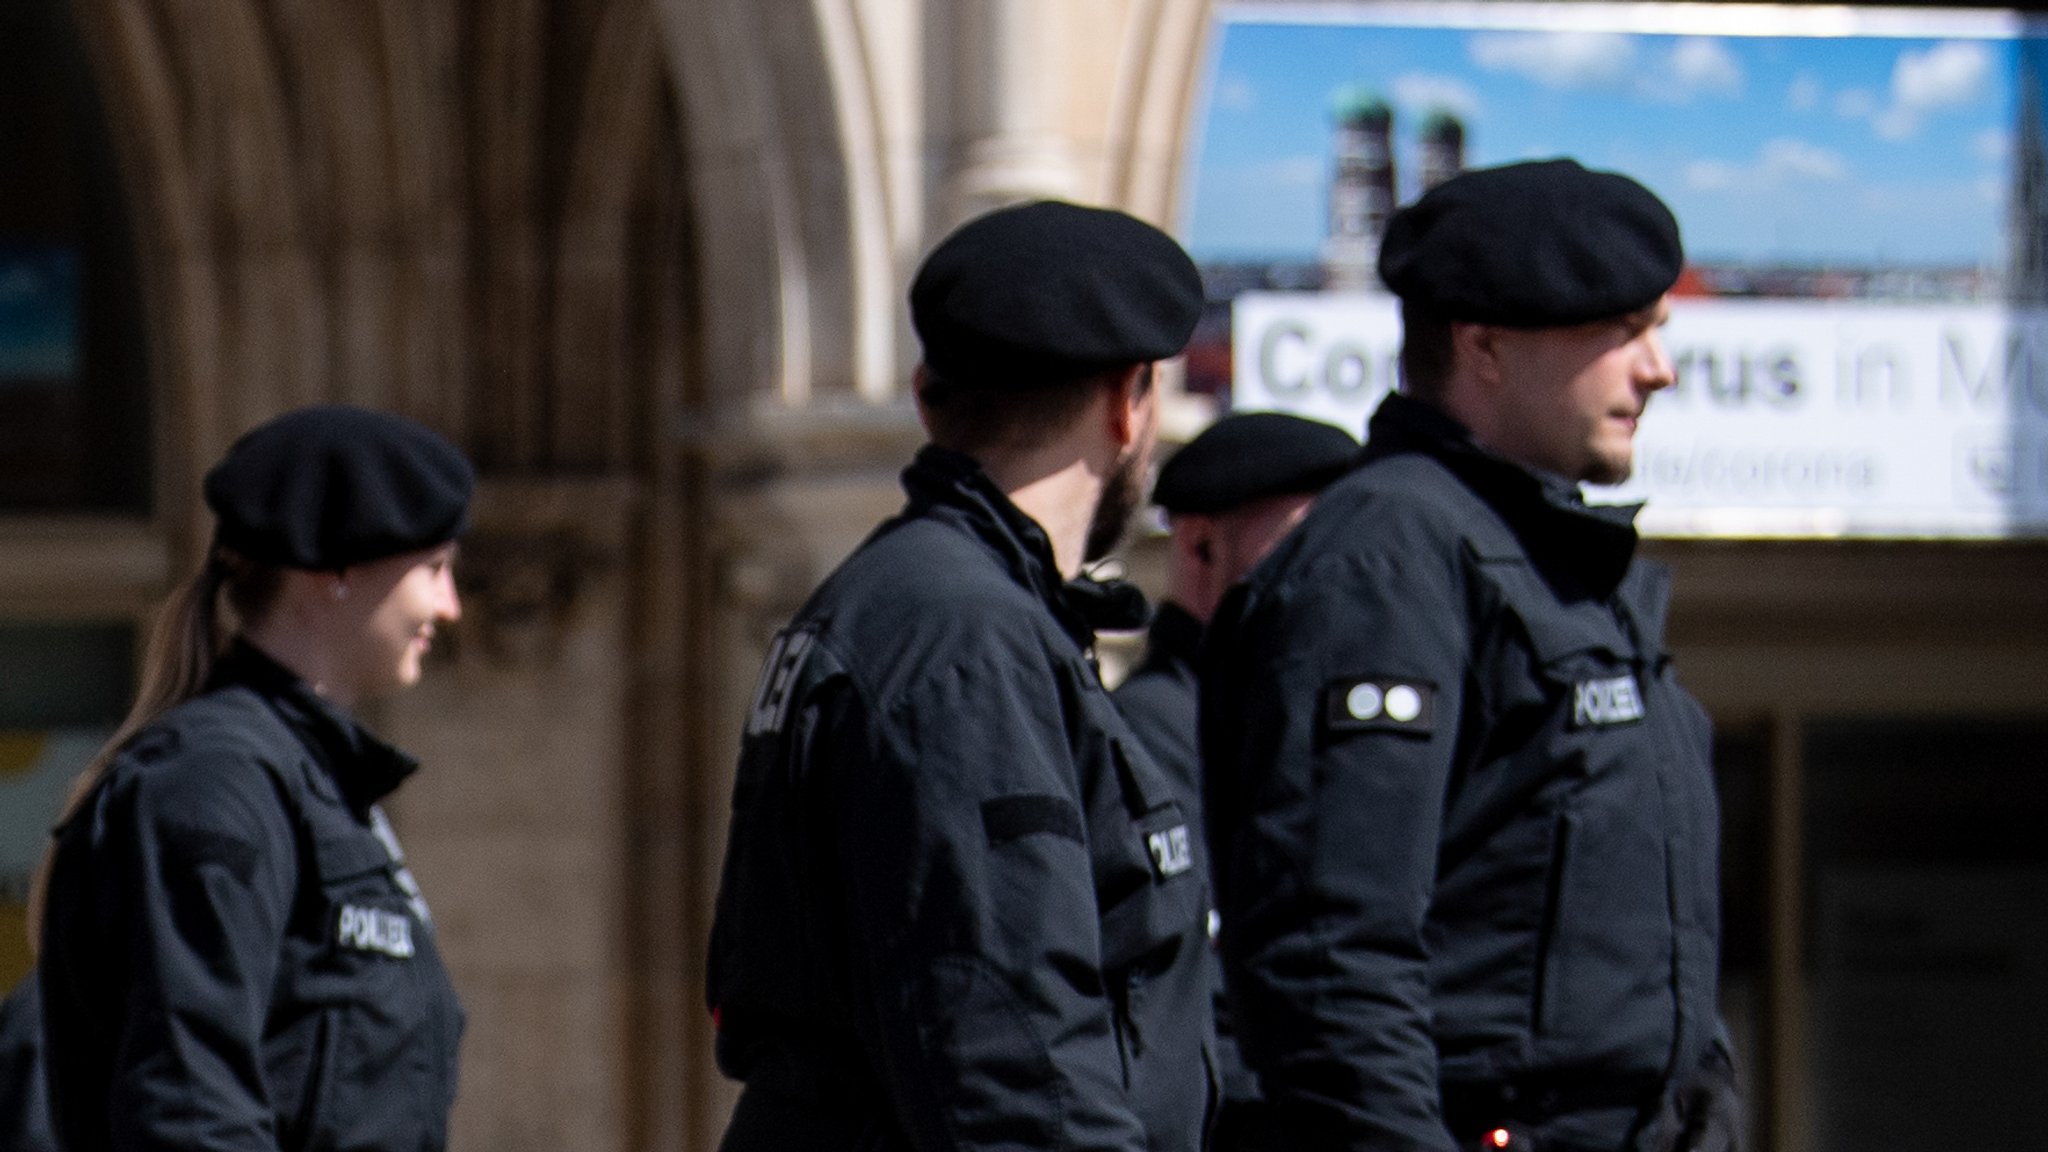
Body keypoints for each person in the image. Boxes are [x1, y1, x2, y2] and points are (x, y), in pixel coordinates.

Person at [1201, 159, 1740, 1152]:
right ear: (1483, 346)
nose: (1657, 369)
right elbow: (1331, 960)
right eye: (1621, 333)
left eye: (1656, 331)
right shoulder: (1385, 559)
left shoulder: (1556, 559)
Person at [707, 200, 1216, 1152]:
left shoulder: (919, 603)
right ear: (1127, 401)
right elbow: (1017, 1062)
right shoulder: (963, 639)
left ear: (926, 396)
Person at [31, 405, 471, 1152]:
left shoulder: (315, 787)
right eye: (432, 568)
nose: (449, 605)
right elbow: (192, 1108)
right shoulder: (214, 783)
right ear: (336, 568)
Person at [1114, 410, 1358, 1152]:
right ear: (1200, 543)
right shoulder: (1151, 729)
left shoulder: (1302, 716)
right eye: (1299, 549)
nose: (1327, 581)